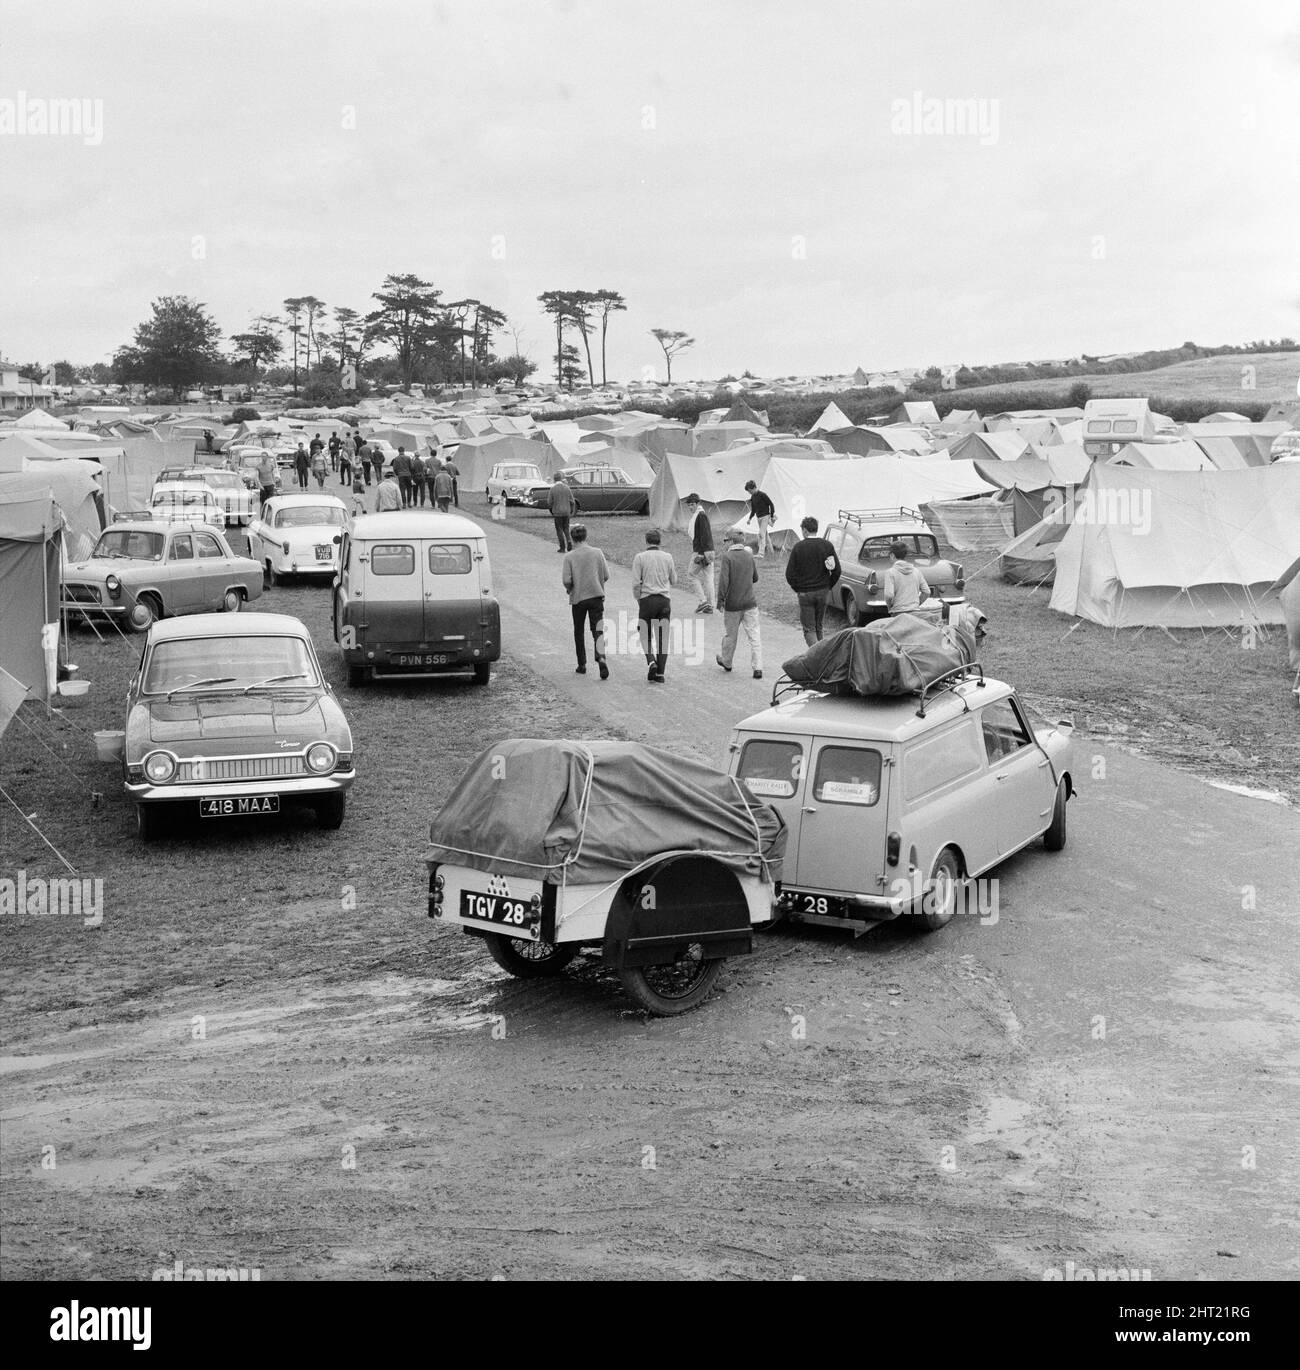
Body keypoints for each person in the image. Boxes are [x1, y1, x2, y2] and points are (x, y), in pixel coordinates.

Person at [785, 515, 841, 646]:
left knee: (809, 629)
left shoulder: (798, 547)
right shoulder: (827, 546)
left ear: (804, 530)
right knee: (818, 627)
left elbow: (789, 574)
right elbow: (837, 570)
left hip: (805, 593)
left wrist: (798, 589)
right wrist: (828, 586)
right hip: (823, 591)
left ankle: (818, 658)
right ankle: (823, 657)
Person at [562, 524, 610, 678]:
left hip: (578, 598)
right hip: (596, 596)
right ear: (586, 536)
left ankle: (582, 664)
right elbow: (606, 575)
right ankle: (601, 656)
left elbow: (566, 580)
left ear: (572, 538)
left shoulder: (569, 556)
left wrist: (570, 588)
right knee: (597, 629)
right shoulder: (597, 553)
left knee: (579, 631)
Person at [715, 528, 762, 679]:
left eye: (725, 540)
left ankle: (727, 662)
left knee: (731, 635)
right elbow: (755, 578)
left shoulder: (727, 557)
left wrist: (720, 600)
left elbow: (724, 581)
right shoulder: (749, 556)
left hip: (733, 604)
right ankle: (758, 667)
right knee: (754, 635)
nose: (724, 543)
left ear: (730, 541)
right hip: (750, 602)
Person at [632, 528, 677, 683]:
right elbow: (674, 580)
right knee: (662, 637)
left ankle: (651, 661)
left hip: (647, 599)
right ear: (660, 542)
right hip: (664, 600)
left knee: (644, 632)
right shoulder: (668, 557)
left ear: (646, 541)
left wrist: (639, 599)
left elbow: (636, 583)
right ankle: (660, 673)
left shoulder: (640, 558)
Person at [684, 492, 715, 613]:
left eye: (692, 504)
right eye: (689, 505)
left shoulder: (700, 516)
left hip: (701, 551)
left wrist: (702, 553)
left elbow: (705, 535)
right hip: (708, 551)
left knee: (691, 575)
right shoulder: (699, 515)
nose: (690, 507)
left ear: (698, 504)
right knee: (708, 578)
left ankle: (703, 601)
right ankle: (710, 606)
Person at [881, 540, 931, 614]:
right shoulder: (916, 571)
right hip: (915, 613)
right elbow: (927, 592)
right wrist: (916, 605)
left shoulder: (890, 572)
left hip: (898, 612)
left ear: (892, 555)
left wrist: (889, 607)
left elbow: (889, 595)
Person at [744, 480, 777, 558]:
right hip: (759, 518)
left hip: (765, 516)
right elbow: (753, 509)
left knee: (761, 534)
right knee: (765, 535)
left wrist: (771, 515)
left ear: (754, 488)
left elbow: (771, 504)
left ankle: (761, 554)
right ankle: (771, 552)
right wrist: (750, 519)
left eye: (750, 490)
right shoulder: (752, 497)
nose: (749, 492)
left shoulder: (762, 495)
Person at [547, 471, 574, 552]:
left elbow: (549, 502)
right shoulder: (567, 488)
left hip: (558, 512)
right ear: (561, 479)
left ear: (554, 479)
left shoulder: (552, 489)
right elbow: (572, 501)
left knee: (559, 530)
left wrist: (552, 507)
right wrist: (571, 510)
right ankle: (569, 541)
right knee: (566, 528)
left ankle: (562, 547)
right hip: (566, 512)